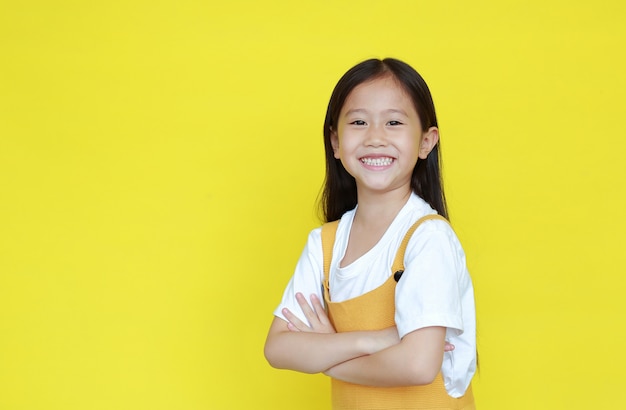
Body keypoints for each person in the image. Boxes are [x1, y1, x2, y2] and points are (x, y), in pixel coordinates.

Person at [264, 58, 476, 410]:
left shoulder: (428, 238)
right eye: (359, 122)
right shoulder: (324, 245)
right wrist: (379, 340)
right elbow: (278, 348)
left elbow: (417, 364)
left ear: (426, 141)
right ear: (335, 141)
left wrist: (326, 352)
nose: (375, 137)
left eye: (393, 122)